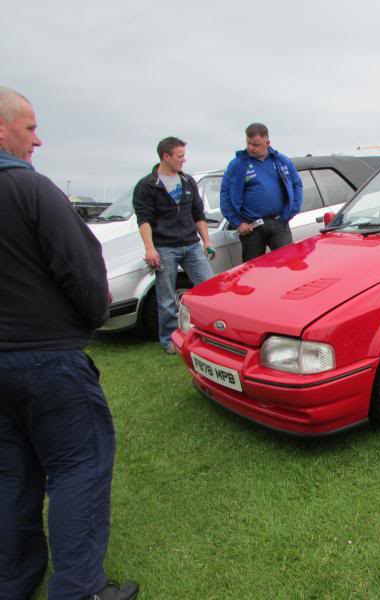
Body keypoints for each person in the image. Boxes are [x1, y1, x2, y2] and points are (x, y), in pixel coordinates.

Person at [0, 87, 138, 599]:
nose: (38, 139)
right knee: (78, 466)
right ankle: (80, 589)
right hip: (47, 360)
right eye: (31, 127)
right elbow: (84, 272)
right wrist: (94, 317)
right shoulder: (31, 190)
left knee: (12, 470)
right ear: (2, 127)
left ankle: (13, 578)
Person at [132, 137, 215, 353]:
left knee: (210, 288)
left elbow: (198, 214)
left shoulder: (187, 182)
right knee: (167, 297)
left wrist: (206, 241)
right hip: (165, 247)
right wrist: (150, 248)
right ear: (165, 156)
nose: (183, 160)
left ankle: (211, 333)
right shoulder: (148, 185)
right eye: (179, 156)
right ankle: (169, 340)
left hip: (191, 245)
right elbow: (144, 220)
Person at [220, 122, 303, 262]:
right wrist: (237, 222)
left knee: (290, 263)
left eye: (255, 145)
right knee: (252, 271)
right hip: (252, 227)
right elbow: (225, 195)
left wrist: (291, 211)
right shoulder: (237, 165)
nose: (250, 148)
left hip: (279, 222)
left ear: (267, 143)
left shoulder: (281, 161)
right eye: (248, 143)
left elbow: (296, 185)